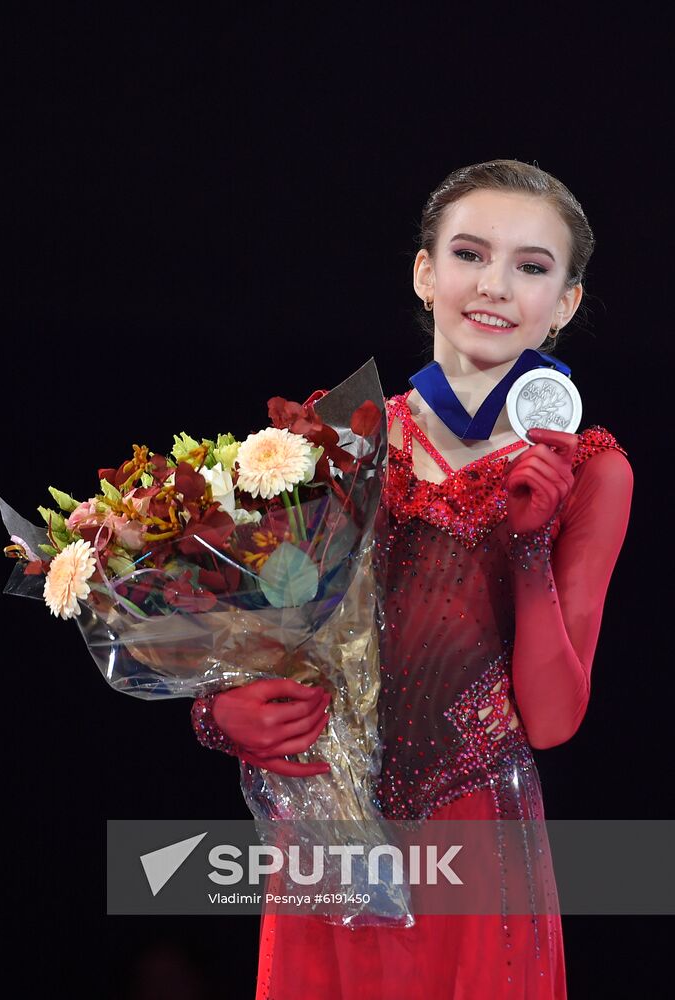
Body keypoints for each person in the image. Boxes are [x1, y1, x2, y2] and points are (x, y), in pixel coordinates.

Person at [190, 159, 634, 999]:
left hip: (476, 837)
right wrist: (222, 713)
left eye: (531, 267)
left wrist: (530, 551)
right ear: (425, 273)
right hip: (331, 832)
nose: (494, 285)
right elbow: (252, 641)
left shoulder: (592, 471)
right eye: (469, 254)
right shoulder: (330, 444)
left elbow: (551, 720)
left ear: (565, 303)